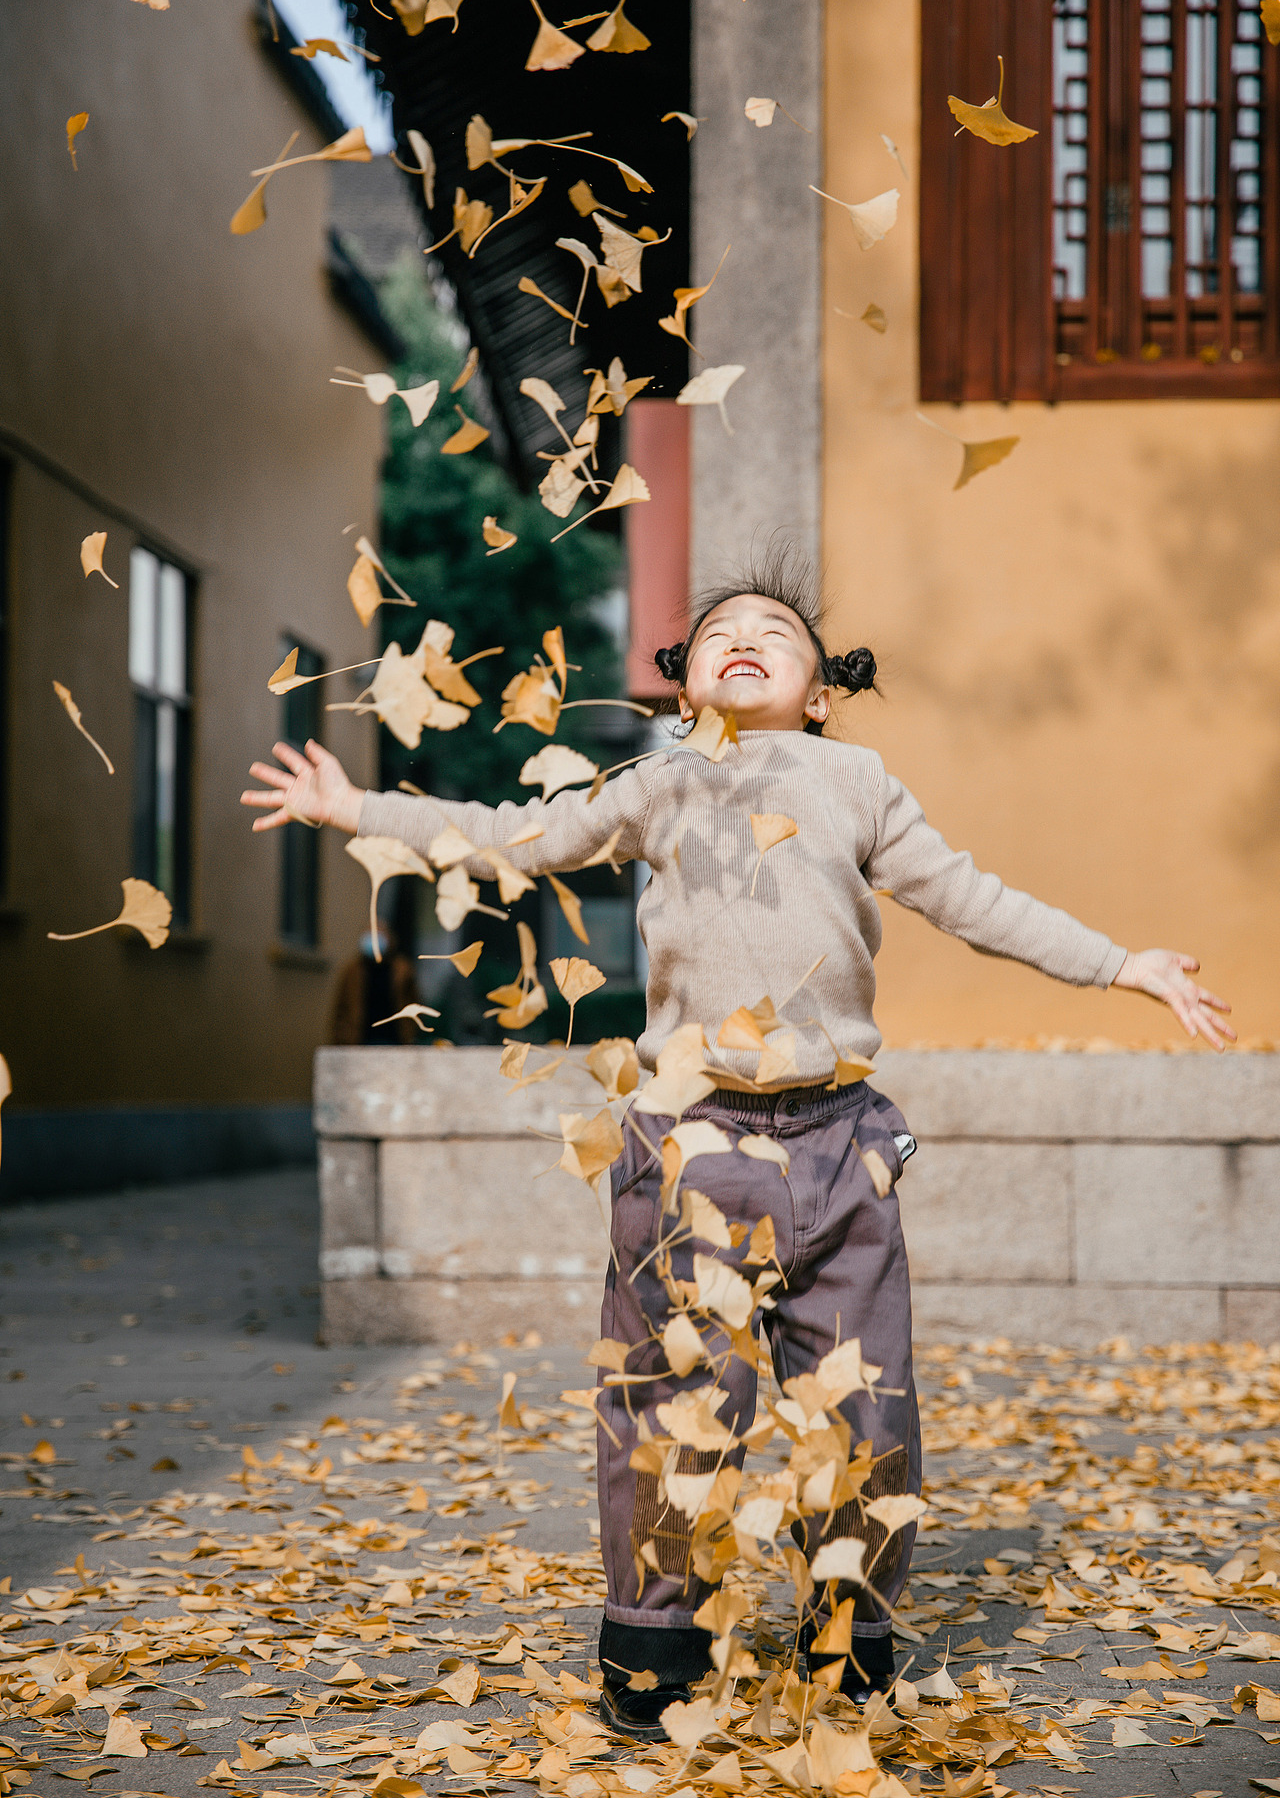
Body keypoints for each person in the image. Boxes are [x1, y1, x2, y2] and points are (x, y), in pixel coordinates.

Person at [241, 552, 1232, 1741]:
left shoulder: (857, 778)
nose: (744, 636)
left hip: (840, 1148)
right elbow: (516, 837)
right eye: (717, 632)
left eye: (774, 628)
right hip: (687, 1146)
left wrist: (1118, 962)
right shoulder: (657, 786)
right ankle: (654, 1646)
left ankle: (846, 1635)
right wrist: (360, 811)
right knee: (664, 1408)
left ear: (819, 690)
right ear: (680, 687)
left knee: (860, 1413)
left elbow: (973, 899)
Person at [329, 925, 419, 1046]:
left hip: (395, 1040)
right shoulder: (352, 971)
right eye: (370, 935)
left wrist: (410, 1034)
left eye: (379, 935)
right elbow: (341, 1008)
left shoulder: (402, 969)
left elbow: (413, 1003)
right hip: (359, 1040)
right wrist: (341, 1037)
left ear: (389, 939)